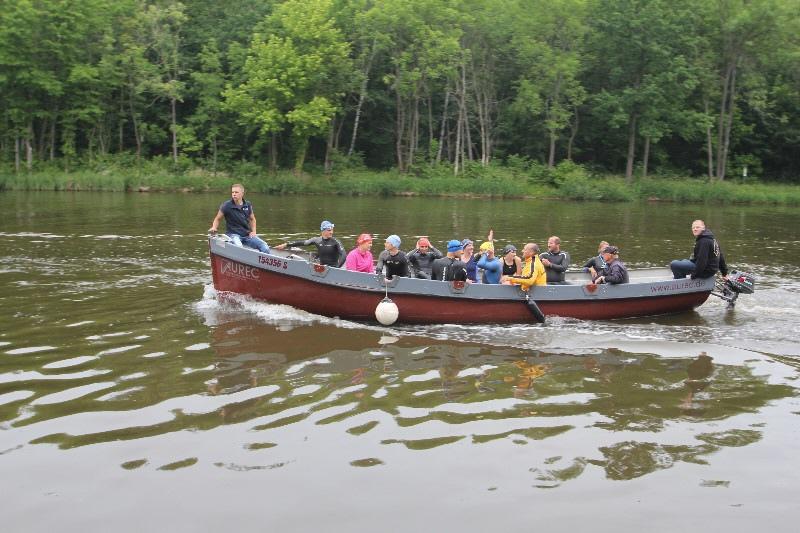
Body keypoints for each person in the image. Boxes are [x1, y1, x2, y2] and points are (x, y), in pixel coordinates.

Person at [208, 183, 270, 253]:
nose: (234, 194)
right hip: (233, 235)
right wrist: (214, 227)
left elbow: (252, 219)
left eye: (236, 192)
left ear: (242, 193)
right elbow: (217, 219)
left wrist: (254, 231)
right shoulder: (226, 205)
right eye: (232, 192)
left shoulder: (248, 204)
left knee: (265, 247)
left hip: (247, 235)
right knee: (239, 248)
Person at [275, 220, 346, 267]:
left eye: (332, 230)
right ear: (323, 231)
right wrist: (286, 245)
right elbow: (302, 242)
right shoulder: (316, 240)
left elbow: (343, 255)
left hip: (333, 268)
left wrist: (337, 268)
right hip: (322, 268)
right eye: (329, 230)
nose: (331, 232)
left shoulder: (336, 241)